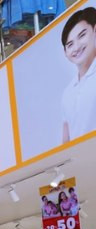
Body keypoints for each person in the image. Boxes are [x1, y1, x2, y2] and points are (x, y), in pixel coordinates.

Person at [61, 7, 96, 143]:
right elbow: (66, 139)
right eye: (70, 44)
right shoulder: (68, 92)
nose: (76, 48)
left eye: (82, 36)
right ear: (65, 52)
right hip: (80, 156)